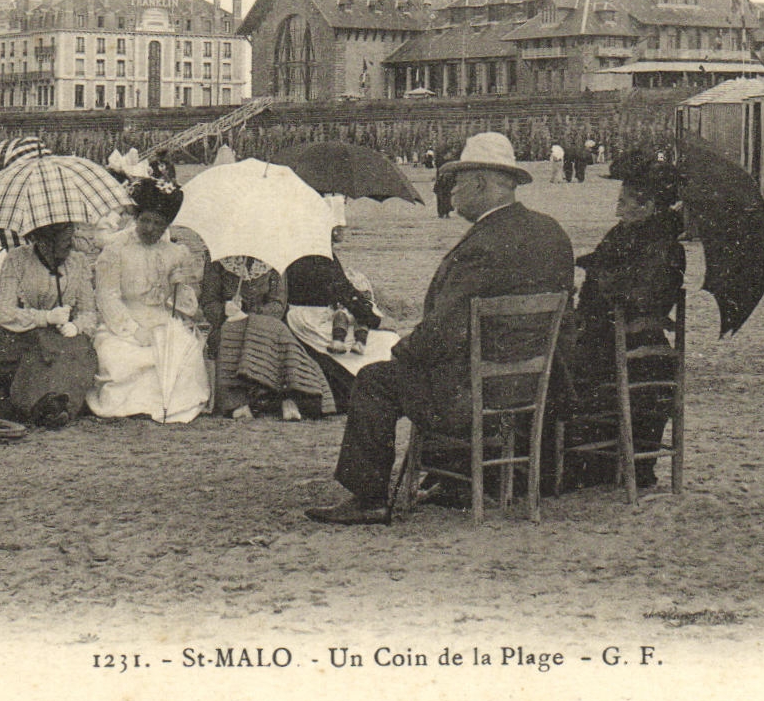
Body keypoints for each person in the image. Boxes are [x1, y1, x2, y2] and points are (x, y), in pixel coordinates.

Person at [305, 132, 575, 525]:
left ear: (481, 183)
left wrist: (400, 352)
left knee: (377, 379)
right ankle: (458, 476)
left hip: (478, 394)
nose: (451, 193)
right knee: (425, 370)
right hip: (538, 386)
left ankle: (368, 498)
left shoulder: (482, 245)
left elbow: (445, 334)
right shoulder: (551, 232)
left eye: (457, 182)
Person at [566, 150, 687, 490]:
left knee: (561, 371)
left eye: (624, 201)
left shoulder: (665, 246)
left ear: (647, 205)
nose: (617, 208)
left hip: (633, 349)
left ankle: (585, 465)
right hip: (621, 341)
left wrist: (601, 277)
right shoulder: (627, 235)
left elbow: (644, 296)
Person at [86, 178, 209, 423]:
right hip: (122, 321)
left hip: (162, 320)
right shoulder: (116, 250)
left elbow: (186, 307)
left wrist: (179, 285)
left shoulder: (175, 253)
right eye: (145, 220)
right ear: (136, 218)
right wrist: (132, 330)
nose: (151, 228)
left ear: (166, 227)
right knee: (120, 356)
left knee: (184, 353)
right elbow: (107, 296)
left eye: (158, 224)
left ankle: (169, 406)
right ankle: (132, 406)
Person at [0, 222, 98, 428]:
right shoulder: (17, 259)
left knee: (79, 350)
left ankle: (59, 406)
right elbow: (5, 312)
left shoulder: (77, 262)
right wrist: (46, 318)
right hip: (19, 332)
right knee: (39, 353)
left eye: (71, 240)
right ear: (43, 241)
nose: (70, 247)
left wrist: (77, 326)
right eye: (64, 243)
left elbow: (88, 311)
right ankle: (37, 405)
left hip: (60, 336)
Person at [202, 255, 334, 421]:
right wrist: (225, 309)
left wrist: (251, 317)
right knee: (227, 338)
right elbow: (208, 304)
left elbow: (278, 305)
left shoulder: (274, 261)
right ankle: (245, 403)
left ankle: (289, 396)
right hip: (228, 324)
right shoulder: (218, 261)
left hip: (266, 324)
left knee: (281, 337)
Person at [284, 229, 384, 412]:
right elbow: (342, 290)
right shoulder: (320, 256)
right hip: (310, 318)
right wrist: (371, 316)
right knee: (378, 341)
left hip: (299, 315)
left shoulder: (292, 250)